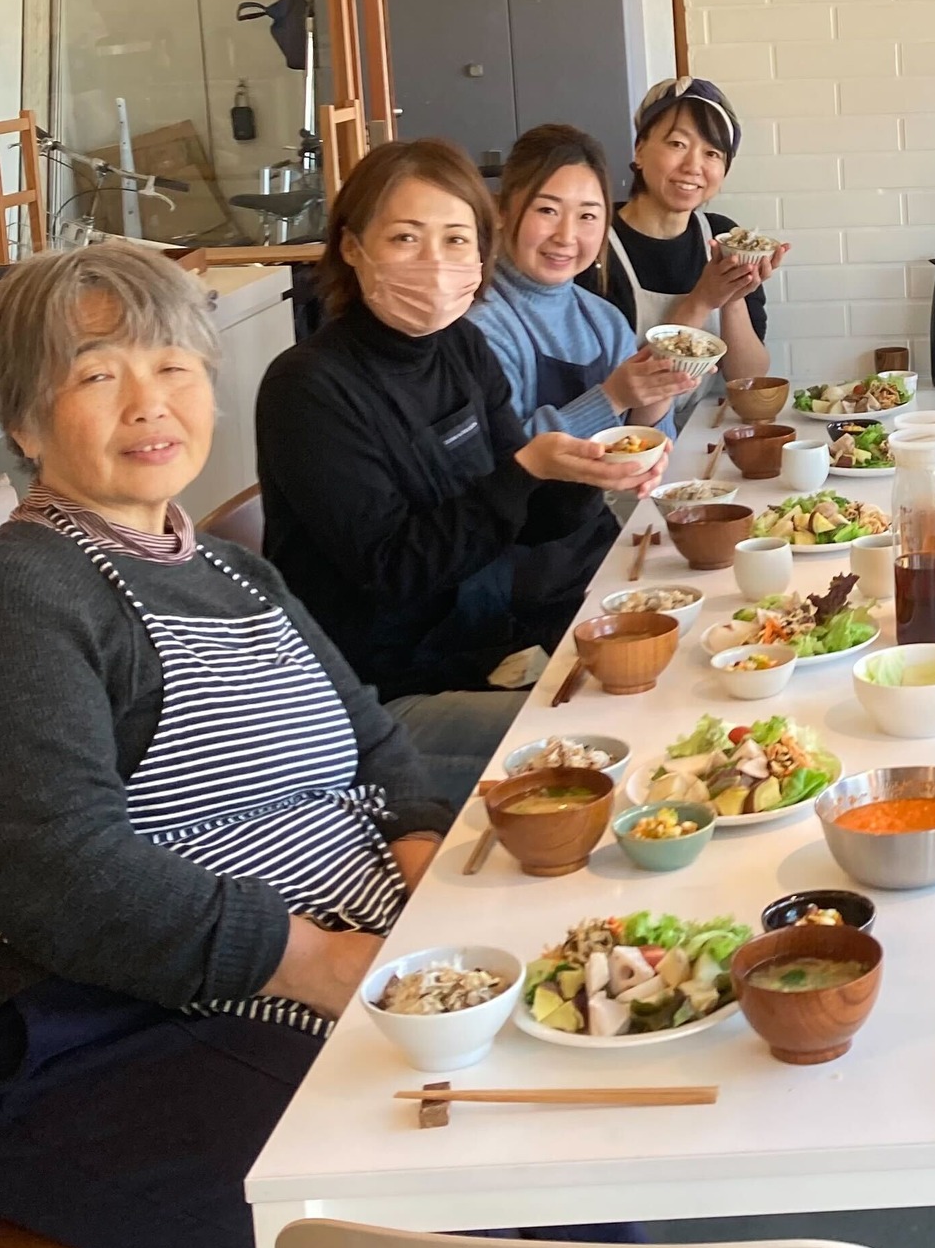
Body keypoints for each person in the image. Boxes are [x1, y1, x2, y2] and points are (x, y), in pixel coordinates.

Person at [0, 242, 464, 1248]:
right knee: (415, 1214)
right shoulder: (26, 588)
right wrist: (317, 960)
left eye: (174, 366)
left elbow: (375, 741)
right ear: (23, 423)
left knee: (558, 1120)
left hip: (350, 954)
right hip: (113, 1032)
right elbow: (59, 869)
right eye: (97, 373)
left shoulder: (230, 568)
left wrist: (425, 867)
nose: (148, 402)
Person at [258, 139, 661, 805]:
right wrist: (525, 469)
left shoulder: (461, 346)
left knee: (660, 700)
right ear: (352, 246)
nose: (435, 263)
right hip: (382, 700)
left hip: (488, 652)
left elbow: (527, 519)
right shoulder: (308, 386)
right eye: (405, 238)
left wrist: (590, 473)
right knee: (622, 758)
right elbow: (393, 569)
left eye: (455, 239)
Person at [472, 123, 698, 641]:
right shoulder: (481, 320)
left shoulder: (601, 317)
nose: (566, 236)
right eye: (547, 210)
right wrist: (614, 395)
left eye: (588, 215)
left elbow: (644, 449)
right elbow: (502, 456)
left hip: (594, 550)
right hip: (511, 573)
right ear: (503, 210)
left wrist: (654, 398)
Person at [588, 77, 787, 377]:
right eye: (677, 144)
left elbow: (747, 378)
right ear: (639, 150)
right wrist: (702, 300)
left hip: (707, 410)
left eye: (712, 153)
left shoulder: (723, 238)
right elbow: (618, 384)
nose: (693, 166)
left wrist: (733, 296)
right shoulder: (594, 243)